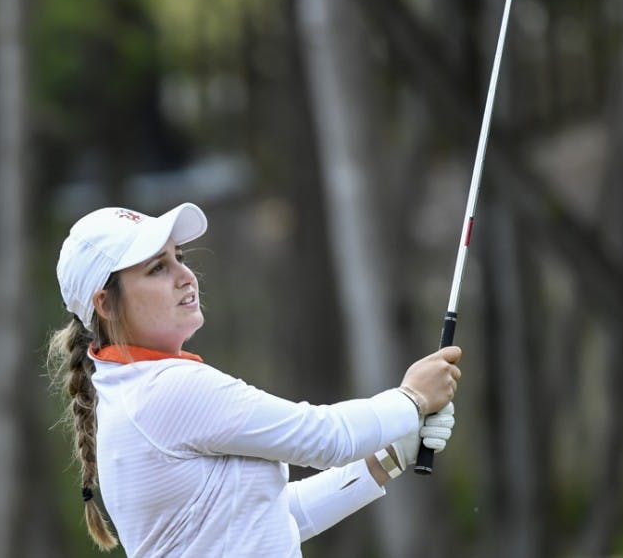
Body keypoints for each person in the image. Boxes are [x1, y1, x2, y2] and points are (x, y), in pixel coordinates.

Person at [47, 202, 462, 556]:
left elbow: (270, 518)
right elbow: (326, 437)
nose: (184, 276)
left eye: (179, 258)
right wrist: (411, 399)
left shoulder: (132, 387)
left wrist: (388, 458)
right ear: (106, 304)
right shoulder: (165, 389)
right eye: (157, 268)